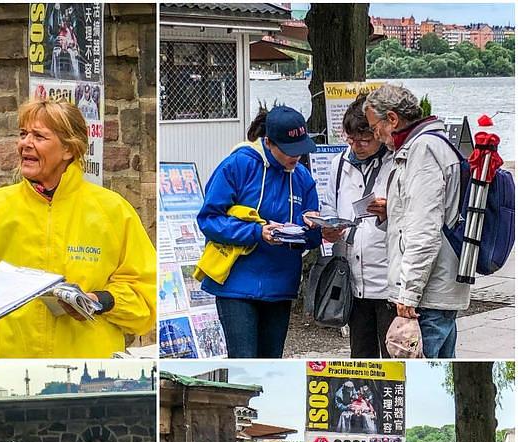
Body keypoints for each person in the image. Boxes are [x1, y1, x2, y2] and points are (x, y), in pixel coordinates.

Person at [0, 98, 156, 358]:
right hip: (10, 359)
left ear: (68, 149)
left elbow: (146, 295)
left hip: (88, 360)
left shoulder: (113, 211)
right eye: (23, 134)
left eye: (39, 136)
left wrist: (100, 301)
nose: (25, 144)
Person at [196, 105, 322, 358]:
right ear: (269, 142)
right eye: (289, 151)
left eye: (301, 150)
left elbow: (312, 239)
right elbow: (209, 219)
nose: (296, 157)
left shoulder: (303, 177)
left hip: (280, 287)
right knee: (243, 360)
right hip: (236, 284)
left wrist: (317, 228)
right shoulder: (238, 165)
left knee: (271, 361)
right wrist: (257, 232)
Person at [363, 84, 466, 358]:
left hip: (427, 295)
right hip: (436, 288)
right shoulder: (430, 145)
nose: (375, 134)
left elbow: (424, 231)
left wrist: (408, 295)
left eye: (375, 127)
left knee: (414, 367)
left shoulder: (422, 151)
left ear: (393, 119)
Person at [321, 94, 395, 357]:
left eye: (365, 140)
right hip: (353, 279)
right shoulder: (339, 163)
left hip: (389, 282)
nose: (358, 146)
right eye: (351, 140)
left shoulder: (397, 161)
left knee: (393, 356)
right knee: (361, 356)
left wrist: (389, 212)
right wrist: (328, 226)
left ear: (379, 132)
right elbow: (329, 204)